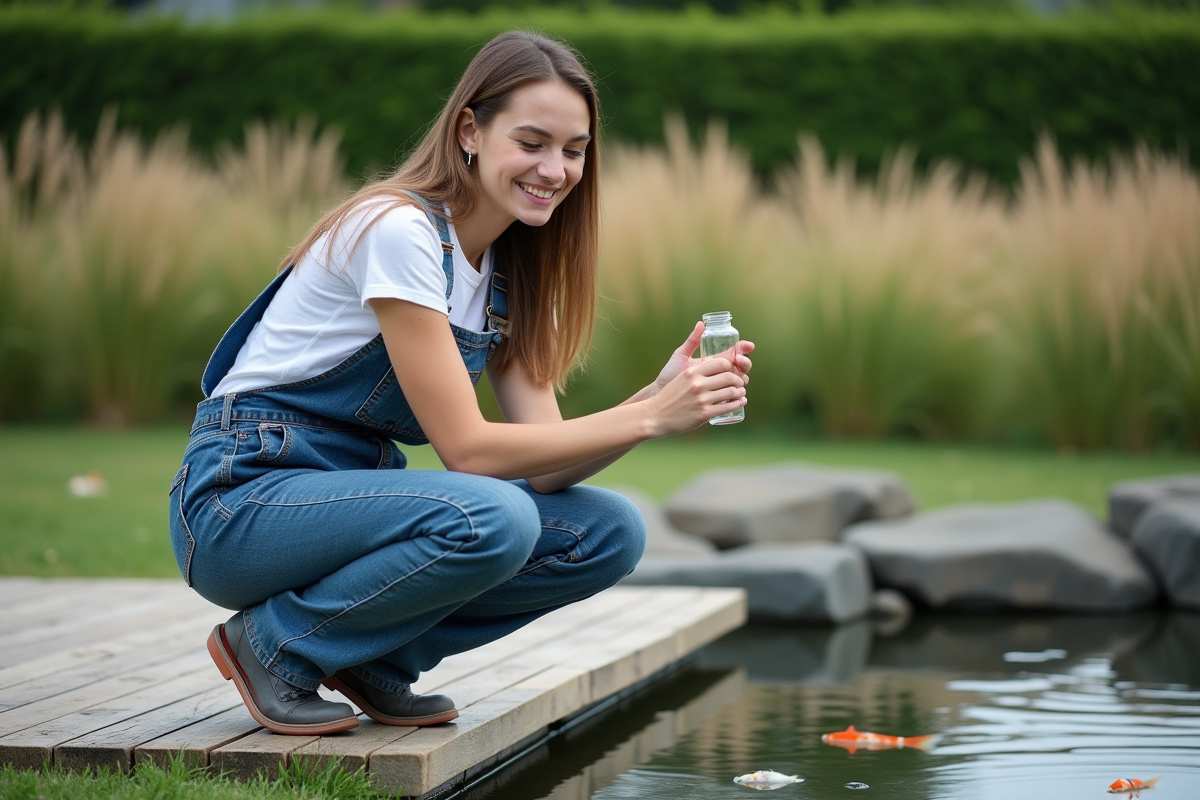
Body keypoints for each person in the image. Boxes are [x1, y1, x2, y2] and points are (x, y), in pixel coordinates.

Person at [168, 30, 753, 736]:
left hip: (340, 508)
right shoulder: (398, 230)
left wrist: (652, 398)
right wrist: (654, 419)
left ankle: (372, 655)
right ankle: (273, 646)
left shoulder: (511, 272)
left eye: (574, 150)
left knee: (607, 531)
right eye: (532, 142)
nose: (556, 169)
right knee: (488, 516)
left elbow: (546, 463)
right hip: (240, 505)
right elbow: (469, 453)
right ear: (470, 130)